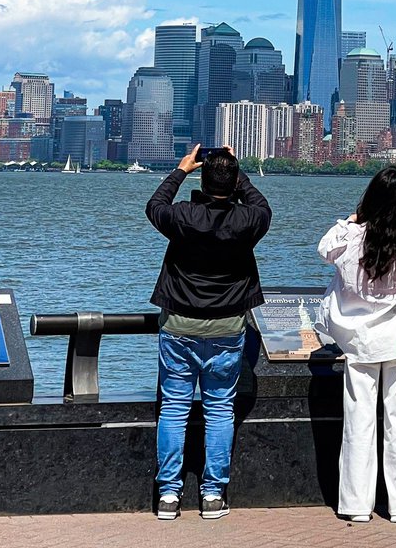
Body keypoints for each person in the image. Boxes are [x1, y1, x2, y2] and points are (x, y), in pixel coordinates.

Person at [146, 144, 272, 521]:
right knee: (220, 409)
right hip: (228, 327)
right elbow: (263, 207)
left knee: (174, 407)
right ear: (234, 183)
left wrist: (182, 169)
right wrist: (237, 171)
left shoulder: (183, 215)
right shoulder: (247, 221)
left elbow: (154, 206)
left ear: (202, 179)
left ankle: (169, 494)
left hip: (179, 326)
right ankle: (213, 494)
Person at [317, 166, 396, 524]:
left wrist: (353, 218)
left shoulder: (351, 237)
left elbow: (323, 248)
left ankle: (357, 506)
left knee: (358, 422)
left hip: (358, 341)